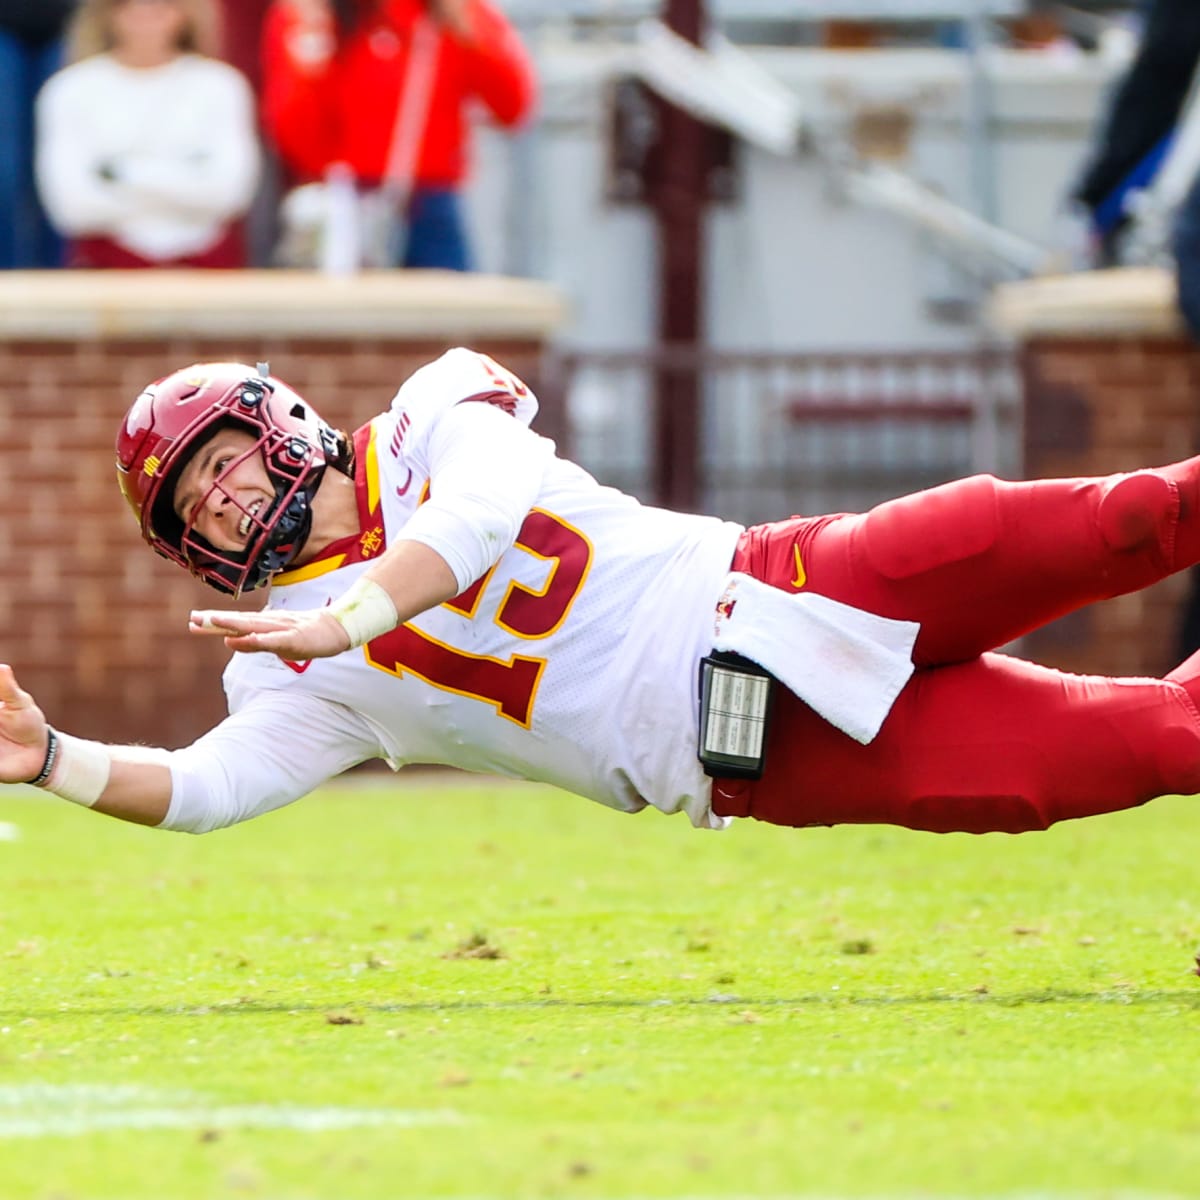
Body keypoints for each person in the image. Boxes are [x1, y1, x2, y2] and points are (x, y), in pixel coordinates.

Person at [6, 348, 1200, 837]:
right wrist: (57, 757)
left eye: (214, 463)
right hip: (755, 755)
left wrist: (354, 613)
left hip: (782, 582)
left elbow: (475, 523)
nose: (213, 502)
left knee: (1140, 516)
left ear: (276, 424)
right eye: (186, 507)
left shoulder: (426, 420)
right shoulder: (279, 664)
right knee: (1150, 745)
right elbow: (211, 786)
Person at [259, 0, 537, 270]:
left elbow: (513, 107)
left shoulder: (449, 11)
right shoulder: (313, 13)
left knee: (448, 312)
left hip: (431, 203)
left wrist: (471, 28)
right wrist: (308, 47)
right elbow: (296, 140)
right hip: (342, 205)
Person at [33, 0, 261, 269]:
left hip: (207, 267)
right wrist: (185, 179)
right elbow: (72, 207)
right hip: (107, 271)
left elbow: (230, 194)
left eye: (161, 9)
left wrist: (122, 174)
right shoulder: (70, 89)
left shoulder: (222, 85)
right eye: (131, 8)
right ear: (107, 14)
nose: (146, 19)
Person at [0, 1, 76, 268]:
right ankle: (8, 273)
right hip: (6, 26)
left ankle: (57, 270)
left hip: (64, 21)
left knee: (60, 163)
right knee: (6, 163)